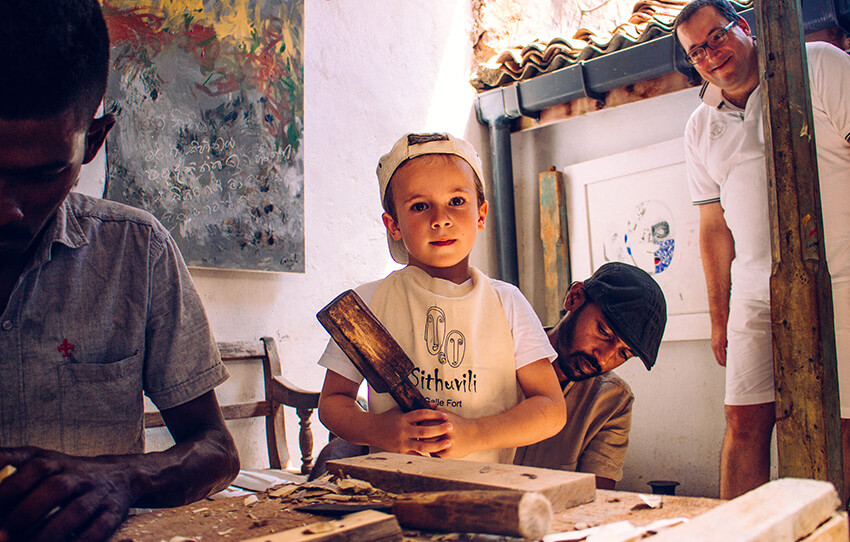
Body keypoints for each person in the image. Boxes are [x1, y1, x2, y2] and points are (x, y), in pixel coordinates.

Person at [0, 1, 240, 541]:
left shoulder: (136, 250)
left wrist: (120, 478)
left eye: (42, 173)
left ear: (94, 139)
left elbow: (216, 449)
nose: (6, 209)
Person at [674, 0, 850, 499]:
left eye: (717, 37)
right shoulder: (699, 127)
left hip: (844, 275)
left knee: (842, 422)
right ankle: (739, 533)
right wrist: (717, 315)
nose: (710, 55)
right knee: (744, 420)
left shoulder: (819, 65)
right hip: (755, 291)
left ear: (745, 27)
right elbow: (713, 227)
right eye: (696, 52)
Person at [317, 133, 566, 464]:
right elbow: (333, 401)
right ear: (393, 226)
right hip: (392, 495)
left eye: (457, 202)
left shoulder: (507, 304)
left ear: (481, 214)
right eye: (420, 206)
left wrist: (476, 434)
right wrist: (380, 430)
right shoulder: (367, 306)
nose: (440, 219)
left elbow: (550, 407)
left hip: (487, 496)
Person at [514, 262, 667, 489]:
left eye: (623, 353)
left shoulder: (613, 401)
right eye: (603, 332)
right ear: (574, 298)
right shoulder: (498, 356)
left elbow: (596, 500)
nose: (603, 359)